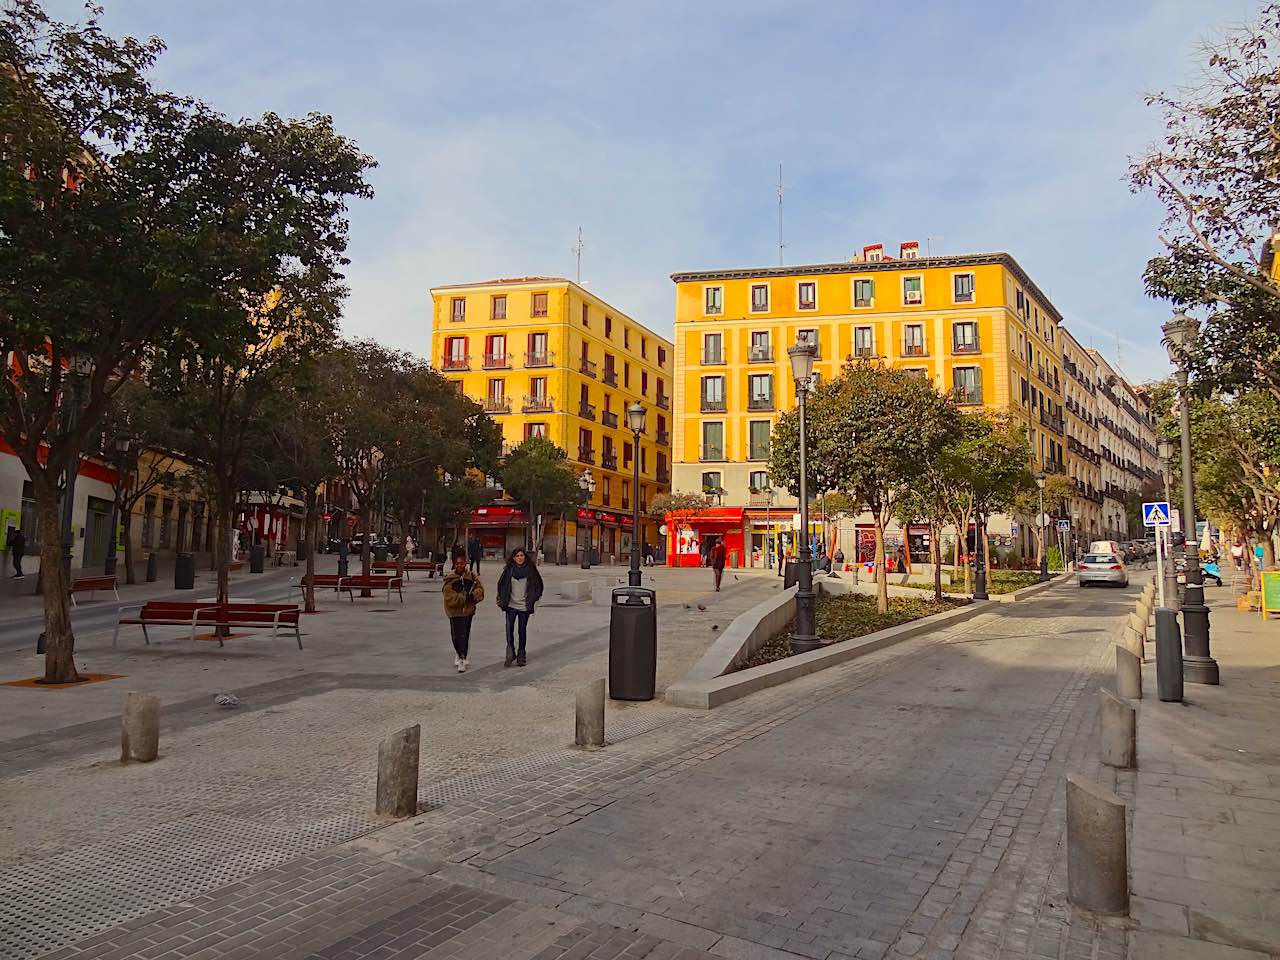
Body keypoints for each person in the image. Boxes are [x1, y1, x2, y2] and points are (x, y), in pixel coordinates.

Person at [496, 547, 544, 667]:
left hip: (524, 606)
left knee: (522, 631)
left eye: (521, 555)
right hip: (511, 605)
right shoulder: (509, 570)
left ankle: (521, 654)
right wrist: (502, 598)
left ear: (525, 557)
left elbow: (539, 586)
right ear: (513, 558)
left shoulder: (531, 570)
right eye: (517, 556)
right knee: (509, 629)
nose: (520, 558)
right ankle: (510, 651)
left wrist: (533, 599)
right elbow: (501, 585)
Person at [441, 546, 483, 672]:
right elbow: (448, 596)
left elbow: (480, 589)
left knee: (465, 634)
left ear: (466, 563)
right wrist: (462, 597)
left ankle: (462, 657)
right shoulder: (450, 578)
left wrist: (475, 595)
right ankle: (459, 652)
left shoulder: (471, 577)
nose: (460, 565)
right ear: (454, 564)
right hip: (454, 612)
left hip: (468, 611)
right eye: (458, 563)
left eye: (462, 563)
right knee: (456, 634)